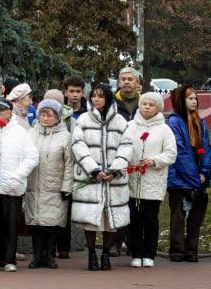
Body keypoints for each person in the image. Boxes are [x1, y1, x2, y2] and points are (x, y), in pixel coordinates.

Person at [70, 82, 133, 271]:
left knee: (110, 220)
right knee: (90, 219)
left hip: (114, 179)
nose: (96, 100)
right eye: (93, 96)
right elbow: (78, 145)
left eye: (100, 96)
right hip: (92, 178)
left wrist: (115, 168)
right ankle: (91, 255)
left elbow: (127, 145)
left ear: (107, 98)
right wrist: (94, 170)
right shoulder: (83, 119)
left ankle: (106, 254)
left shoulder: (120, 121)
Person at [0, 99, 39, 272]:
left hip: (11, 186)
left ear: (10, 112)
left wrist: (17, 176)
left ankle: (8, 258)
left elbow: (32, 157)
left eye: (0, 110)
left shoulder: (20, 132)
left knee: (10, 223)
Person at [125, 92, 177, 268]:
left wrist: (154, 161)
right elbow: (122, 147)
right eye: (144, 103)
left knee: (150, 218)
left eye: (151, 104)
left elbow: (171, 153)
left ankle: (149, 253)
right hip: (133, 179)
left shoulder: (165, 129)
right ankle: (136, 252)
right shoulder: (130, 126)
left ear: (158, 108)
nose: (147, 107)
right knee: (134, 218)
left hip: (153, 180)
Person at [24, 98, 74, 269]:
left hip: (54, 185)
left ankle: (50, 255)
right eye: (42, 115)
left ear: (58, 117)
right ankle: (37, 255)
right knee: (35, 223)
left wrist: (67, 186)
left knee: (52, 223)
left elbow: (69, 164)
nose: (45, 118)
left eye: (50, 115)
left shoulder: (65, 136)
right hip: (34, 185)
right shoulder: (31, 133)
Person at [166, 84, 211, 262]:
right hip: (179, 177)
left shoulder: (199, 122)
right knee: (178, 215)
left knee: (196, 214)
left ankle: (192, 250)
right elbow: (180, 151)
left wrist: (205, 172)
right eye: (190, 98)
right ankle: (177, 250)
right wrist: (195, 178)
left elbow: (206, 149)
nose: (194, 101)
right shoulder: (174, 121)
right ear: (180, 100)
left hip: (198, 177)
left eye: (195, 98)